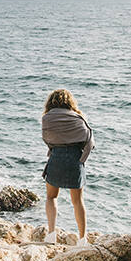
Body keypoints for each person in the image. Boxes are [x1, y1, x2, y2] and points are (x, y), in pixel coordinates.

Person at [40, 89, 94, 245]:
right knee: (77, 201)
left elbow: (46, 138)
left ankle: (51, 235)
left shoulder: (47, 118)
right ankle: (82, 239)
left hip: (56, 158)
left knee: (51, 197)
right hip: (75, 160)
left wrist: (55, 148)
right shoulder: (79, 118)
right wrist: (81, 160)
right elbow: (90, 143)